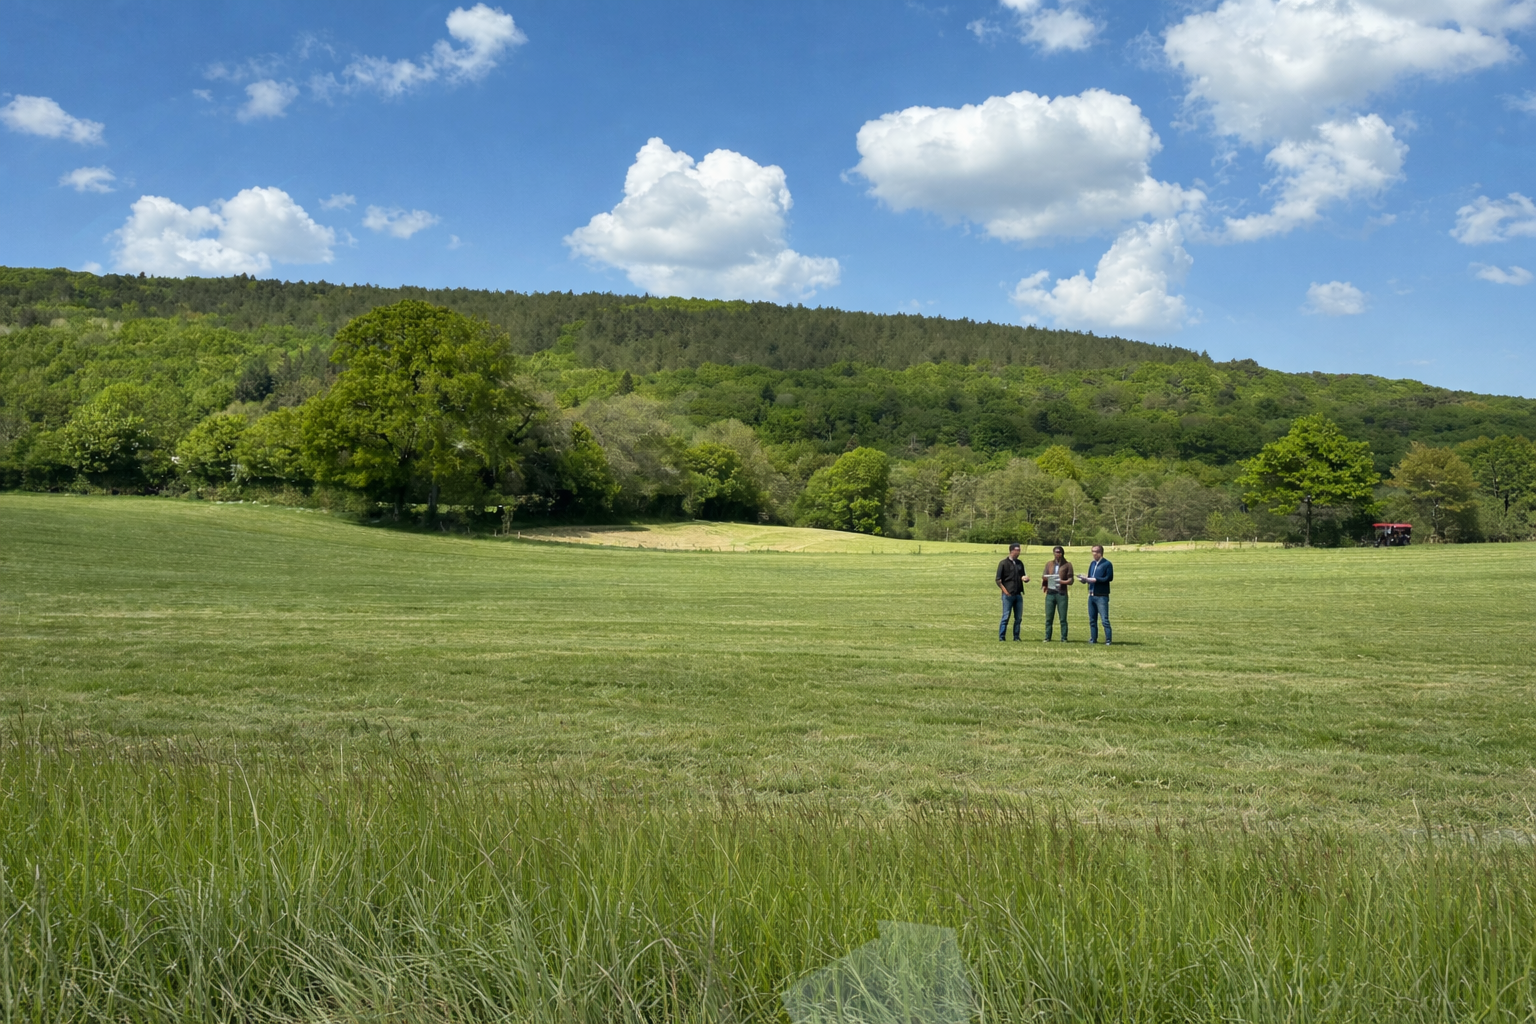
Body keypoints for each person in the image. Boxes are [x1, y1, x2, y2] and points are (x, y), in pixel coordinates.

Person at [1078, 544, 1113, 645]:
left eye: (1095, 551)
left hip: (1101, 595)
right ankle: (1093, 638)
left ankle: (1108, 640)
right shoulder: (1092, 564)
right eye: (1092, 551)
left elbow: (1108, 578)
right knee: (1092, 619)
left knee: (1104, 620)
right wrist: (1084, 579)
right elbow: (1090, 577)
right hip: (1091, 595)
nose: (1094, 554)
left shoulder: (1107, 564)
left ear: (1100, 552)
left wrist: (1095, 580)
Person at [995, 543, 1030, 641]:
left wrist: (1025, 579)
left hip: (1018, 594)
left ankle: (1016, 637)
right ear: (1011, 551)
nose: (1019, 552)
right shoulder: (1003, 563)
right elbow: (998, 580)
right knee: (1006, 617)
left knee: (1018, 618)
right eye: (1017, 550)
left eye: (1019, 550)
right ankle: (1002, 637)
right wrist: (1005, 591)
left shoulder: (1019, 563)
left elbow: (1022, 575)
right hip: (1008, 594)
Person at [1041, 545, 1073, 641]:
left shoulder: (1067, 565)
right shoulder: (1049, 564)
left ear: (1062, 553)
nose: (1057, 554)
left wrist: (1061, 581)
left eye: (1059, 552)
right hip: (1050, 592)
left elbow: (1071, 580)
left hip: (1061, 593)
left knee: (1063, 618)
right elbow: (1043, 576)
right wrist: (1047, 578)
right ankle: (1047, 637)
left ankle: (1064, 637)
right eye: (1056, 552)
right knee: (1048, 618)